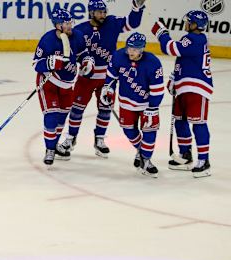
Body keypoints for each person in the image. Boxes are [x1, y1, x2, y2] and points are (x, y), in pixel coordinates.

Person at [61, 0, 145, 158]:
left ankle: (99, 139)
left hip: (108, 77)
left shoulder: (112, 23)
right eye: (99, 12)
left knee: (105, 109)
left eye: (104, 11)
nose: (103, 15)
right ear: (91, 12)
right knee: (77, 109)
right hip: (86, 77)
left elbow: (132, 23)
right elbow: (73, 52)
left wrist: (137, 8)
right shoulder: (80, 30)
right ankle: (71, 138)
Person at [151, 10, 212, 178]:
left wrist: (162, 34)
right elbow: (184, 60)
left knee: (198, 123)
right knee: (180, 121)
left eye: (188, 22)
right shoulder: (194, 40)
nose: (186, 24)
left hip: (197, 88)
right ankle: (185, 155)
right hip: (185, 86)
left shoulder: (194, 39)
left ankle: (204, 161)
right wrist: (174, 78)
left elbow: (169, 48)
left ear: (194, 25)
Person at [33, 8, 95, 165]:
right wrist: (52, 62)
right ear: (57, 25)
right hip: (49, 83)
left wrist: (88, 63)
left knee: (61, 119)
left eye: (70, 22)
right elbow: (36, 64)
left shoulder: (77, 36)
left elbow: (83, 54)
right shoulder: (47, 40)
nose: (69, 26)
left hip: (67, 85)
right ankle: (50, 150)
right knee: (51, 116)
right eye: (66, 23)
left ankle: (54, 145)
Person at [100, 33, 164, 177]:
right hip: (126, 101)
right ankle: (141, 151)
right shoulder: (118, 56)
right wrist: (108, 91)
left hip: (147, 104)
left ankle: (146, 160)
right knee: (128, 130)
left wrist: (152, 108)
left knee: (150, 131)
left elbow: (158, 89)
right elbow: (111, 79)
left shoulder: (153, 62)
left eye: (135, 50)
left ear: (142, 49)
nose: (131, 52)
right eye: (129, 48)